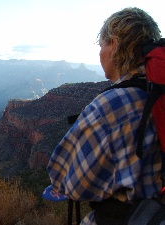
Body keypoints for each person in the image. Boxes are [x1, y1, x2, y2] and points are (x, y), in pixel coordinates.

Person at [45, 7, 164, 225]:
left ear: (114, 45)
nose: (100, 54)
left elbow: (67, 182)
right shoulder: (158, 94)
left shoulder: (111, 105)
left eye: (101, 45)